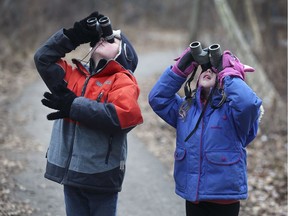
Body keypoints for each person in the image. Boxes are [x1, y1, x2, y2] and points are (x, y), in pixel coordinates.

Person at [34, 11, 143, 216]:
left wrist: (74, 105)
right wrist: (74, 36)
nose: (103, 39)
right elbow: (43, 59)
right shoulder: (74, 75)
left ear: (124, 54)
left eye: (112, 39)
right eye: (102, 37)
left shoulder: (122, 80)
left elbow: (123, 117)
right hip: (72, 173)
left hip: (100, 176)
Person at [148, 44, 263, 216]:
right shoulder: (187, 109)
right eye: (204, 69)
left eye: (214, 70)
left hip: (224, 198)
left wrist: (227, 71)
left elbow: (247, 103)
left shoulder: (235, 114)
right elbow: (158, 98)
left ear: (225, 78)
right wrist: (180, 69)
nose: (208, 71)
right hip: (194, 195)